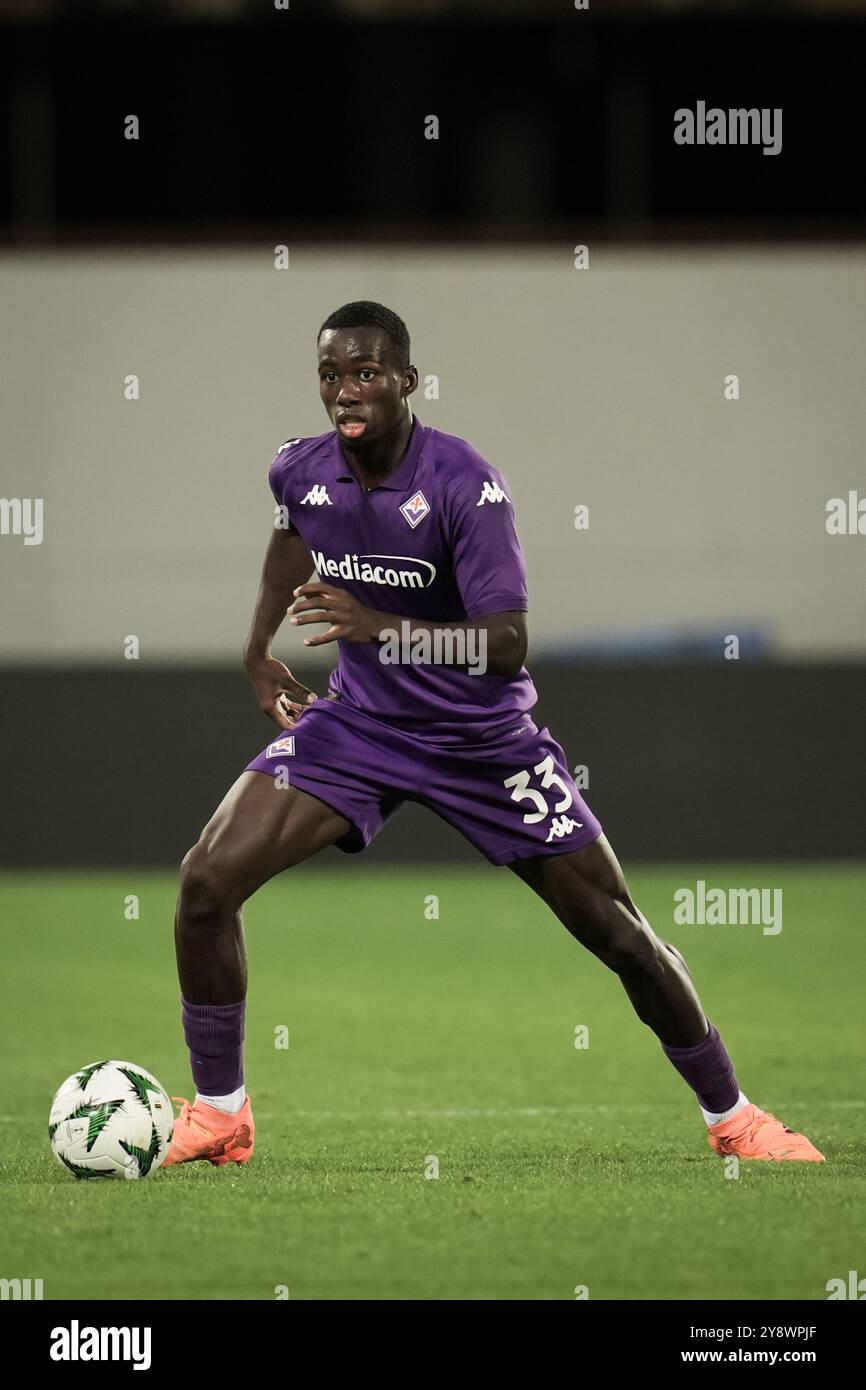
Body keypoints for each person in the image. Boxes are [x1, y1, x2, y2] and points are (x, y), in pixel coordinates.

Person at [164, 301, 823, 1168]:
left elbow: (507, 641)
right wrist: (256, 651)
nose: (345, 391)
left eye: (365, 372)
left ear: (407, 381)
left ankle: (735, 1118)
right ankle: (222, 1116)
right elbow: (293, 541)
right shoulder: (300, 469)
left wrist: (380, 624)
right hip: (360, 726)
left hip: (484, 743)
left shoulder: (466, 487)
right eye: (331, 373)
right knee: (205, 886)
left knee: (622, 937)